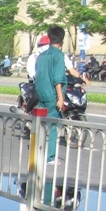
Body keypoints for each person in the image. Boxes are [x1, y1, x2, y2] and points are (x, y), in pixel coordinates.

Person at [34, 25, 68, 163]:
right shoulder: (58, 55)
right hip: (52, 96)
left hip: (41, 94)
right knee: (53, 126)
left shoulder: (42, 55)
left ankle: (39, 153)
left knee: (41, 125)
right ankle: (50, 157)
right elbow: (57, 78)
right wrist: (60, 98)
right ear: (62, 40)